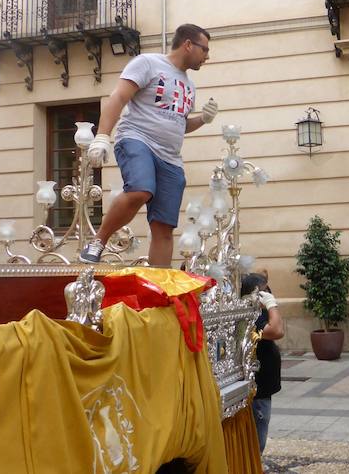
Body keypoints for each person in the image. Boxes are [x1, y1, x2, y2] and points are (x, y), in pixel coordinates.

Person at [79, 23, 219, 266]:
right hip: (137, 139)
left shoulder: (190, 86)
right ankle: (98, 240)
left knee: (164, 229)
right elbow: (119, 97)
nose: (207, 56)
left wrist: (203, 120)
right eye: (204, 50)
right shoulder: (148, 63)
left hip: (171, 158)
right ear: (188, 45)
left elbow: (178, 125)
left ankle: (160, 291)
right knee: (140, 190)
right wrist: (102, 136)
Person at [240, 272, 284, 455]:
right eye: (264, 292)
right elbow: (277, 331)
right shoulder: (251, 315)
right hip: (258, 388)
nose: (269, 294)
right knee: (257, 437)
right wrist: (272, 305)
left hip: (264, 386)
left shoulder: (258, 313)